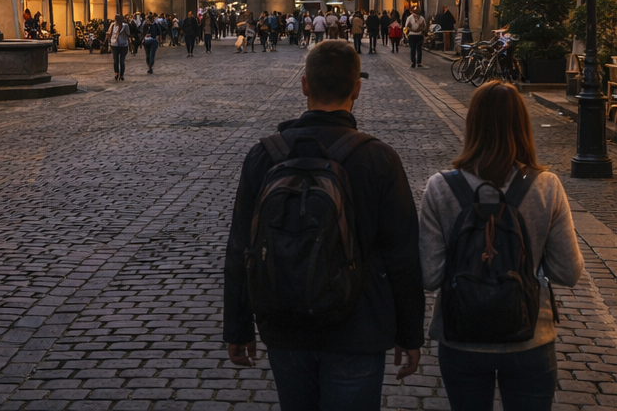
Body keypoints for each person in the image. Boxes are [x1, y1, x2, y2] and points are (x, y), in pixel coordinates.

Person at [224, 40, 424, 409]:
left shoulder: (264, 155)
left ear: (304, 85)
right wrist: (410, 333)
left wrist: (237, 327)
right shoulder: (378, 158)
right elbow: (403, 255)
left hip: (285, 325)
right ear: (357, 89)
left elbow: (241, 248)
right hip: (359, 327)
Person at [419, 81, 584, 411]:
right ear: (522, 125)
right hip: (530, 338)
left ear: (472, 125)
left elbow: (429, 276)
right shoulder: (545, 186)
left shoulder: (440, 188)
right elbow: (568, 271)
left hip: (461, 337)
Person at [109, 15, 130, 81]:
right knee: (115, 60)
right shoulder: (113, 25)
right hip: (114, 44)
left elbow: (128, 34)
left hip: (123, 45)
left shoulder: (125, 26)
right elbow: (109, 33)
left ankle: (121, 74)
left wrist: (123, 34)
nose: (116, 22)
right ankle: (116, 73)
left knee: (121, 61)